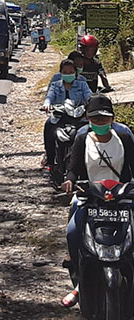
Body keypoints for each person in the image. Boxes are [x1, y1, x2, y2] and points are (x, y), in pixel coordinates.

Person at [59, 93, 134, 307]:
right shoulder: (83, 137)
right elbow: (73, 168)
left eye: (104, 118)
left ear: (112, 118)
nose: (100, 123)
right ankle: (79, 282)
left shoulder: (125, 136)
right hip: (89, 195)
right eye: (95, 119)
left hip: (122, 196)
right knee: (73, 232)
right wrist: (69, 181)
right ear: (88, 120)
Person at [40, 59, 92, 171]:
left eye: (71, 72)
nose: (68, 74)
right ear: (61, 73)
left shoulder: (82, 85)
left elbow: (89, 96)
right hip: (59, 116)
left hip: (78, 116)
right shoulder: (55, 85)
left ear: (75, 73)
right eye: (65, 72)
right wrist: (47, 104)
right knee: (48, 126)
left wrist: (92, 103)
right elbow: (49, 97)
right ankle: (50, 160)